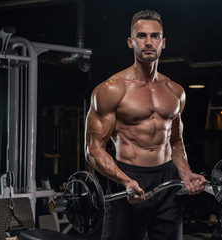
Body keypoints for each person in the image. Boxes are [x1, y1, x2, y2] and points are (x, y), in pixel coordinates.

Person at [84, 9, 207, 240]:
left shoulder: (175, 91)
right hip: (128, 176)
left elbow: (176, 140)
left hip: (168, 180)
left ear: (163, 42)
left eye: (154, 36)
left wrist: (186, 173)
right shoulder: (111, 89)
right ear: (131, 42)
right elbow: (93, 149)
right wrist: (125, 181)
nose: (148, 42)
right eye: (141, 36)